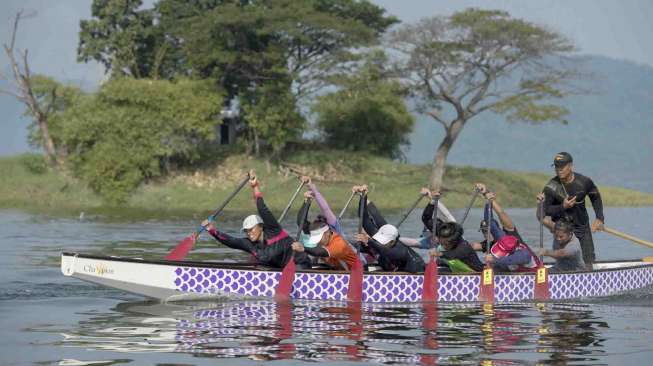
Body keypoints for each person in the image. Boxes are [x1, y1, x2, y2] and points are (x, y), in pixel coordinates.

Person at [204, 170, 312, 269]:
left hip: (300, 265)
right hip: (280, 270)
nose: (249, 233)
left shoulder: (273, 230)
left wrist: (255, 186)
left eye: (251, 229)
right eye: (246, 231)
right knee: (260, 263)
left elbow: (262, 208)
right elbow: (231, 241)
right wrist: (211, 230)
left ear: (261, 226)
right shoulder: (250, 244)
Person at [542, 152, 604, 268]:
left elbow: (595, 197)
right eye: (556, 167)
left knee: (588, 261)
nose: (558, 170)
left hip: (582, 227)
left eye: (562, 166)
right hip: (562, 230)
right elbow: (546, 211)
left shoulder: (584, 182)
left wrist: (599, 218)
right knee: (564, 261)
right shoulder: (551, 187)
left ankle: (588, 281)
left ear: (571, 166)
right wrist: (563, 207)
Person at [352, 185, 425, 273]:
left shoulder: (400, 250)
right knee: (367, 268)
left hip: (416, 273)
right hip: (394, 269)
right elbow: (364, 219)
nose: (381, 242)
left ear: (393, 242)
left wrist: (369, 241)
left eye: (385, 241)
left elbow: (386, 251)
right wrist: (363, 197)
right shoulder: (384, 232)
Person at [291, 217, 359, 271]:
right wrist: (306, 201)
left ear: (327, 233)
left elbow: (319, 252)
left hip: (353, 274)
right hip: (338, 271)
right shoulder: (324, 240)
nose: (318, 242)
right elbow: (301, 222)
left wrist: (303, 248)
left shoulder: (339, 244)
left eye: (319, 238)